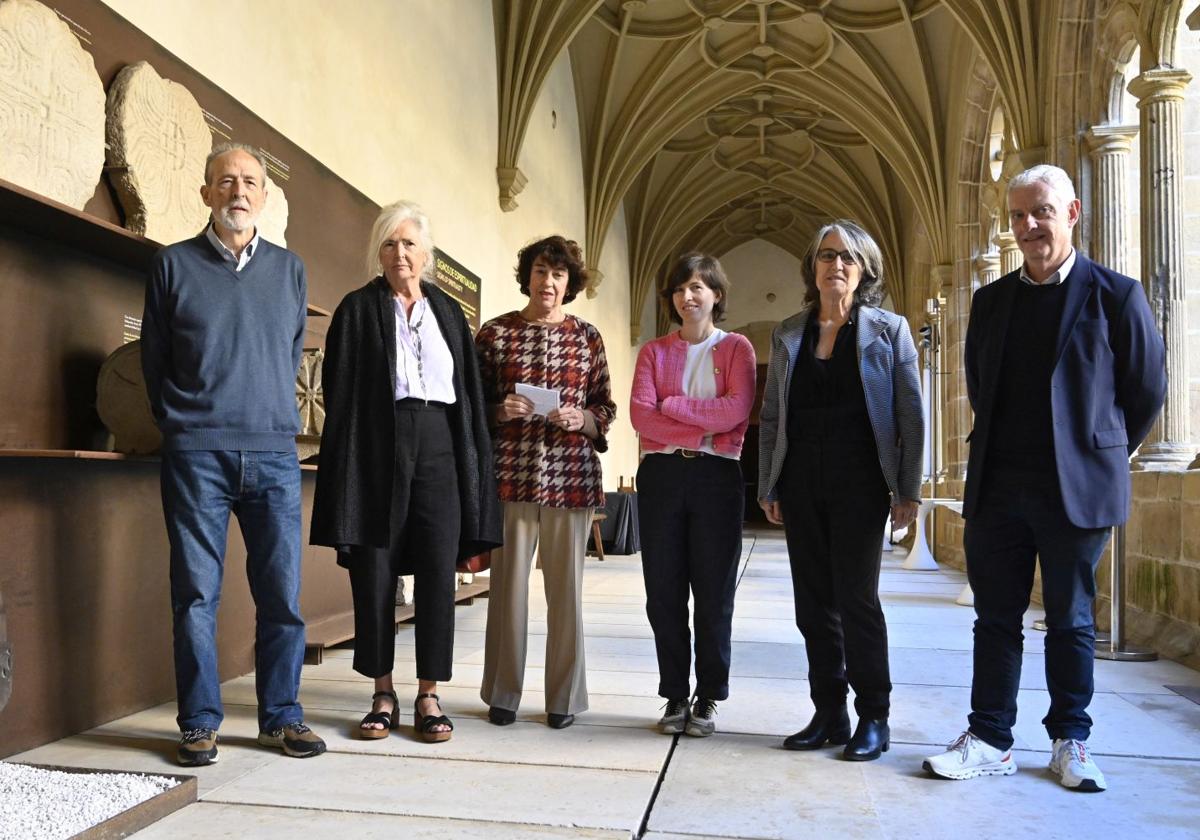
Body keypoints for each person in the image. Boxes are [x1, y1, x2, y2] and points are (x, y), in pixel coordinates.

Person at [924, 165, 1166, 791]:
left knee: (1071, 619)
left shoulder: (1115, 295)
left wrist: (1099, 454)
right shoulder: (992, 300)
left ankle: (1071, 741)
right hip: (1000, 484)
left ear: (1074, 213)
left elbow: (1145, 391)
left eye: (1042, 212)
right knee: (995, 618)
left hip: (1076, 489)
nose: (1029, 226)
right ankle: (990, 738)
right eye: (1018, 216)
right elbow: (980, 385)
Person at [141, 142, 326, 766]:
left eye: (249, 182)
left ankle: (282, 716)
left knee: (282, 594)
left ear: (264, 196)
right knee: (195, 592)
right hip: (198, 456)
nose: (238, 193)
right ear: (206, 194)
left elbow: (289, 353)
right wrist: (182, 426)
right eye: (225, 182)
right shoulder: (172, 266)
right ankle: (198, 722)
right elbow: (154, 361)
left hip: (274, 454)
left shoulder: (290, 270)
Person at [310, 200, 502, 743]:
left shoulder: (448, 314)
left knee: (439, 569)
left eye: (410, 243)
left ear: (427, 254)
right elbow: (340, 393)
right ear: (378, 252)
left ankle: (429, 694)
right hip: (377, 447)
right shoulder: (357, 308)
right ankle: (382, 692)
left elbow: (466, 394)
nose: (401, 253)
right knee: (375, 568)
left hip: (439, 443)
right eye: (391, 243)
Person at [758, 219, 923, 762]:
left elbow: (910, 416)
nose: (836, 265)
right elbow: (774, 415)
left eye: (848, 258)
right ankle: (829, 712)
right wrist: (770, 482)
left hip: (860, 481)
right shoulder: (789, 332)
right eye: (827, 256)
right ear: (813, 267)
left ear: (865, 269)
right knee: (813, 604)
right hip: (803, 479)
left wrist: (906, 491)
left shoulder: (889, 330)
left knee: (857, 599)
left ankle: (874, 715)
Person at [476, 235, 616, 730]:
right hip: (511, 477)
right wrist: (499, 409)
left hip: (571, 479)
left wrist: (584, 419)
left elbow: (606, 407)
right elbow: (469, 409)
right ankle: (502, 693)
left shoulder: (587, 337)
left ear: (570, 283)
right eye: (540, 271)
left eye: (558, 274)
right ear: (527, 277)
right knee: (507, 593)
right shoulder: (494, 334)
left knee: (567, 595)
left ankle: (564, 699)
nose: (548, 282)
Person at [629, 253, 756, 737]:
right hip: (661, 477)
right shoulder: (653, 352)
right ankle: (675, 695)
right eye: (680, 288)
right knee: (662, 591)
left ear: (716, 295)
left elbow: (737, 409)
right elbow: (643, 416)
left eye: (698, 287)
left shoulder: (737, 349)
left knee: (713, 593)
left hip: (717, 479)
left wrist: (674, 407)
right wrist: (701, 426)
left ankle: (708, 697)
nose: (688, 296)